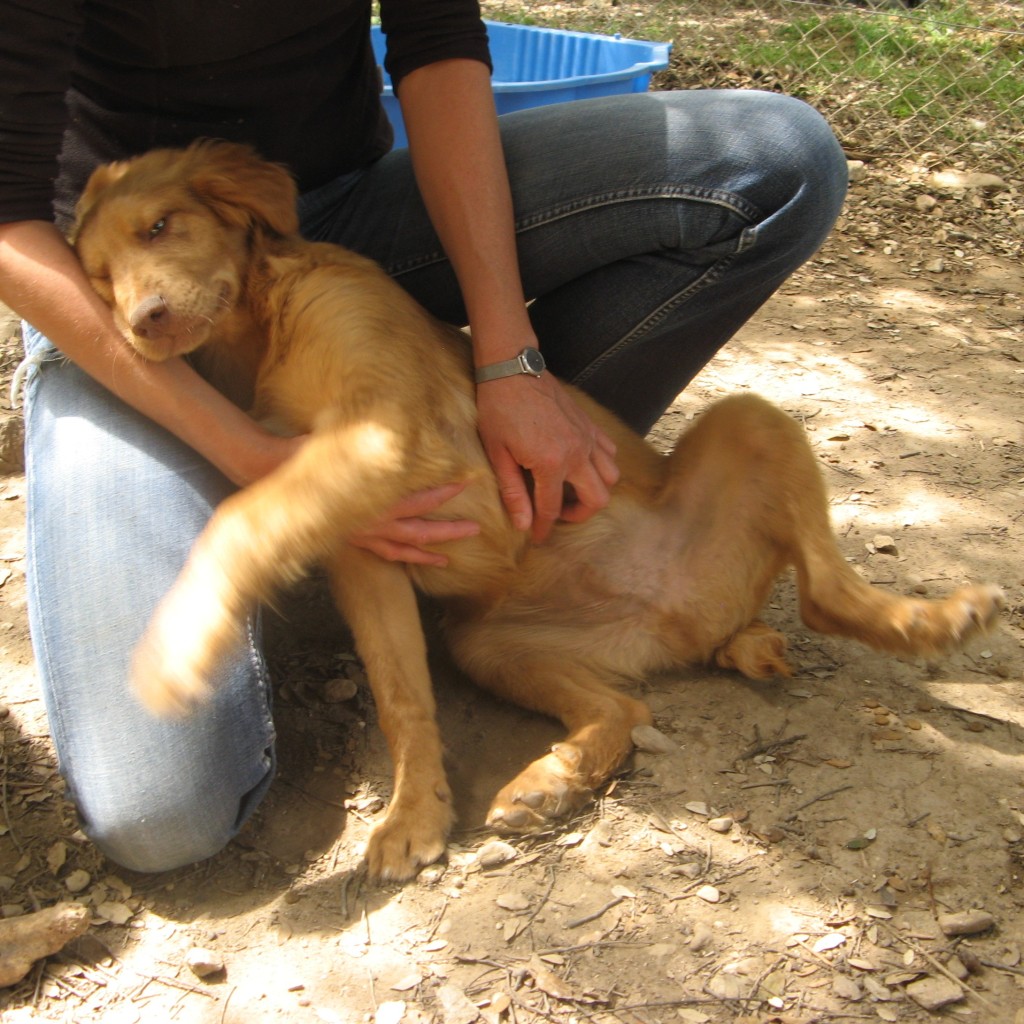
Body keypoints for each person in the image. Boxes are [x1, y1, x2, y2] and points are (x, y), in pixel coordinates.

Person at [0, 1, 848, 873]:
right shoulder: (118, 273)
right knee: (160, 816)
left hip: (344, 205)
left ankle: (517, 489)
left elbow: (438, 43)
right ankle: (357, 520)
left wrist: (510, 358)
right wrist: (247, 457)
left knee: (772, 160)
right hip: (91, 292)